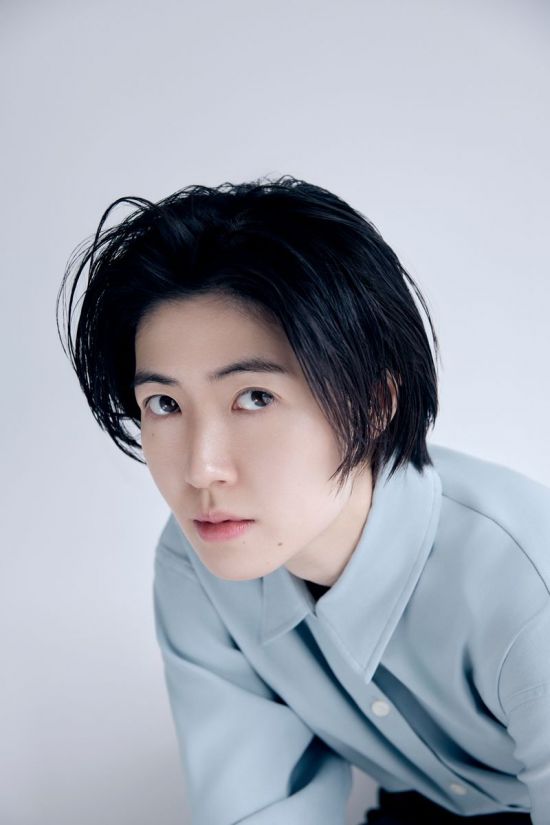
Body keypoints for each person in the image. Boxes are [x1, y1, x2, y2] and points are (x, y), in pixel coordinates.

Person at [55, 175, 548, 825]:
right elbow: (256, 808)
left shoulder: (526, 581)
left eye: (254, 397)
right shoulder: (197, 561)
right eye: (165, 403)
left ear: (374, 403)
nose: (201, 468)